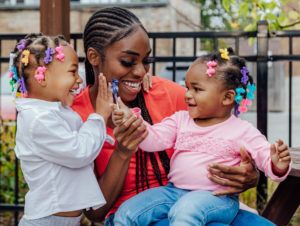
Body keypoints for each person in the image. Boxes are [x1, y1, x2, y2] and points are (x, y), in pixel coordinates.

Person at [72, 7, 276, 226]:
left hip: (203, 205)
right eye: (129, 62)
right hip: (137, 215)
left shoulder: (174, 95)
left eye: (145, 62)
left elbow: (229, 135)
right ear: (93, 57)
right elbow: (95, 213)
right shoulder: (77, 116)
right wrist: (123, 151)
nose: (141, 72)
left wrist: (249, 175)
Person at [112, 49, 291, 226]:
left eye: (197, 89)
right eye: (187, 87)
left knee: (186, 211)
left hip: (218, 198)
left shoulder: (242, 130)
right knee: (127, 213)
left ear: (227, 98)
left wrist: (277, 164)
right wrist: (133, 120)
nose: (187, 94)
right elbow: (152, 139)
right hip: (173, 192)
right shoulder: (181, 120)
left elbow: (264, 157)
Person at [10, 33, 113, 226]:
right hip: (47, 221)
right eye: (72, 72)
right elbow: (79, 151)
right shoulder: (39, 119)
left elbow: (79, 135)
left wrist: (103, 132)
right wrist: (99, 117)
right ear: (42, 77)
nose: (79, 80)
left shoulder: (56, 110)